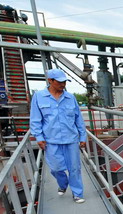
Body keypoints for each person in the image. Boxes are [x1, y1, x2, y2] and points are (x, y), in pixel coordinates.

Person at [30, 68, 87, 203]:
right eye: (60, 82)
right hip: (51, 140)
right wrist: (39, 137)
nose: (63, 84)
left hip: (71, 139)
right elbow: (35, 119)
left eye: (64, 82)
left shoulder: (70, 97)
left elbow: (79, 119)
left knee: (74, 168)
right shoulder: (39, 97)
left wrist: (83, 137)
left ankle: (77, 193)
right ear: (50, 80)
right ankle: (63, 184)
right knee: (56, 168)